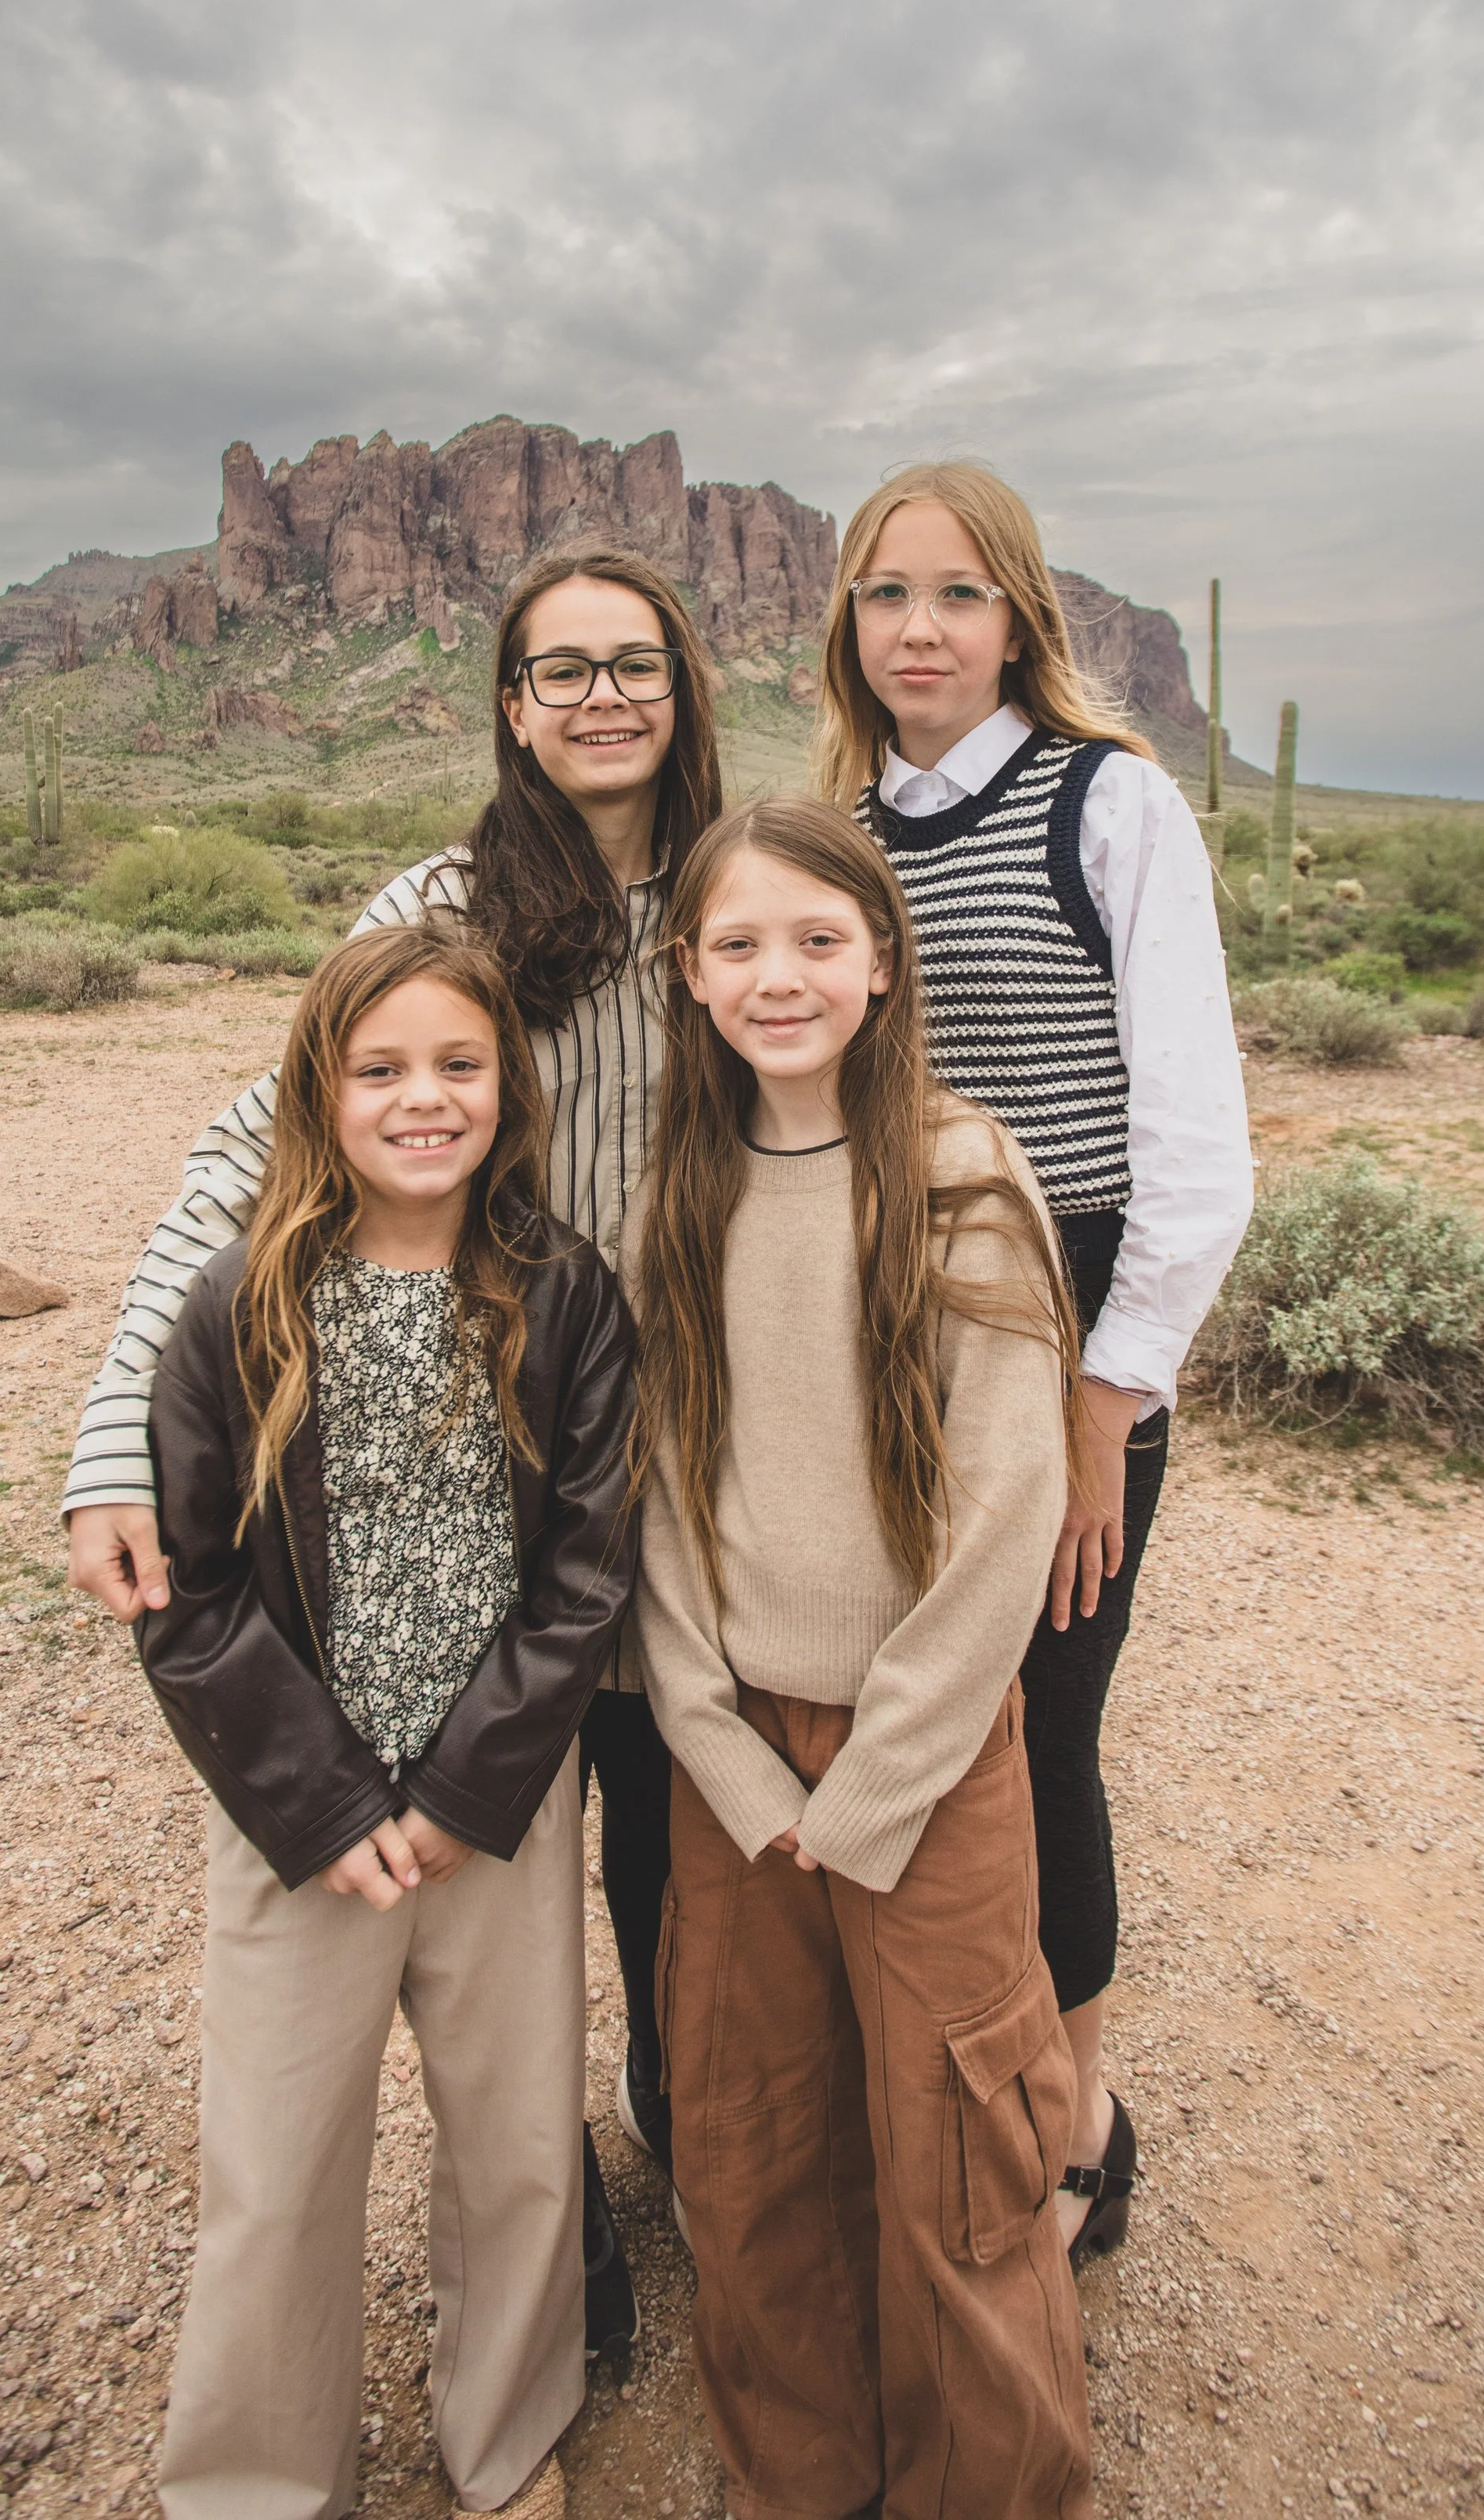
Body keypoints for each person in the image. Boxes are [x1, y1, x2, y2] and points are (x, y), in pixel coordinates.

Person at [63, 543, 721, 2351]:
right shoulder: (443, 895)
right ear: (510, 706)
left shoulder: (732, 892)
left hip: (693, 1472)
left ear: (686, 686)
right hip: (496, 1453)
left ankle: (685, 2163)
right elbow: (243, 1150)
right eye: (559, 668)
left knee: (662, 1854)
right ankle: (563, 2251)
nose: (601, 695)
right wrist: (116, 1429)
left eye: (634, 662)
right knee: (496, 1822)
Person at [631, 800, 1095, 2520]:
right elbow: (659, 1500)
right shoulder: (674, 1189)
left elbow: (1001, 1509)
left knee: (957, 2163)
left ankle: (989, 2490)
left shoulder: (963, 1174)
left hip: (929, 1755)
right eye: (738, 944)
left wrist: (874, 1781)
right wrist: (725, 1751)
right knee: (754, 2152)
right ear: (686, 975)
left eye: (817, 940)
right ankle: (799, 2479)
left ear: (882, 965)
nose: (778, 976)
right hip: (733, 1765)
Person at [139, 919, 637, 2520]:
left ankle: (503, 2442)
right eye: (380, 1069)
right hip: (298, 1823)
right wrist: (330, 1805)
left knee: (514, 2153)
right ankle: (253, 2481)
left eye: (457, 1064)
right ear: (319, 1088)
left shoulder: (564, 1297)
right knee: (276, 2168)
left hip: (493, 1806)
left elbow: (586, 1572)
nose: (422, 1098)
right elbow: (190, 1593)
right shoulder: (237, 1302)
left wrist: (460, 1790)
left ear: (509, 1086)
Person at [812, 461, 1252, 2265]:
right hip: (877, 1316)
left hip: (1064, 1320)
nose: (918, 629)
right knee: (904, 1704)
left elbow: (1195, 1143)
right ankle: (923, 2083)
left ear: (1018, 621)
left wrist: (1104, 1408)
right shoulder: (835, 827)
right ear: (845, 624)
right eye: (883, 595)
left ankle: (1074, 2122)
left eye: (957, 594)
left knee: (1042, 1719)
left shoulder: (1108, 802)